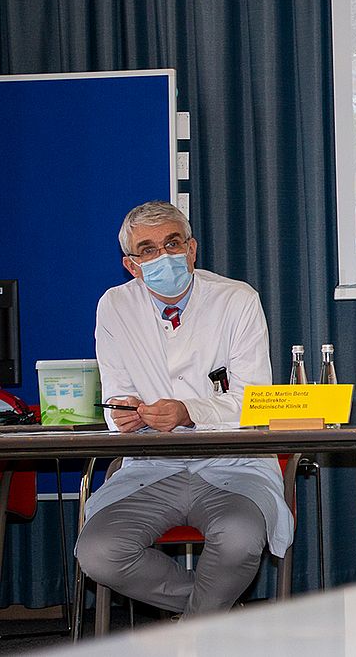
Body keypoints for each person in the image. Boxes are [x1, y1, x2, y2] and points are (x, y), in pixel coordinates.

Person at [75, 201, 293, 617]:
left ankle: (194, 633)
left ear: (192, 249)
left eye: (173, 243)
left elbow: (256, 399)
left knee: (240, 538)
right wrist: (122, 414)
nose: (164, 256)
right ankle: (214, 619)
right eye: (149, 249)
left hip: (233, 464)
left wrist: (188, 411)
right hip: (152, 464)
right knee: (100, 552)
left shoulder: (236, 299)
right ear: (131, 265)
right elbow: (116, 397)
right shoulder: (114, 306)